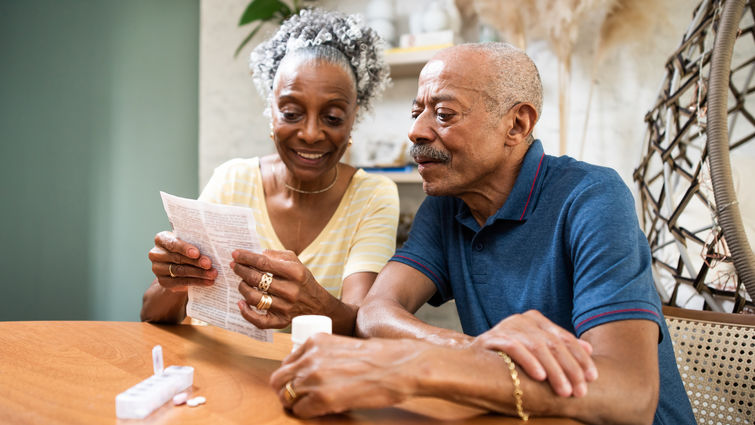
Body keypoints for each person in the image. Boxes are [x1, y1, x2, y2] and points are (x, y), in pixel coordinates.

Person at [269, 43, 696, 424]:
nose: (416, 131)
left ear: (517, 125)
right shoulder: (446, 203)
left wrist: (410, 367)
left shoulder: (592, 198)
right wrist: (472, 350)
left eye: (443, 114)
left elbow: (629, 398)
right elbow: (376, 312)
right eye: (416, 111)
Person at [140, 9, 398, 336]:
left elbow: (362, 325)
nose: (310, 133)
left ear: (352, 120)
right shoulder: (233, 181)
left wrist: (313, 302)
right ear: (271, 111)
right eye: (291, 113)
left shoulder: (372, 195)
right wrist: (174, 278)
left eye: (332, 117)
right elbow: (151, 314)